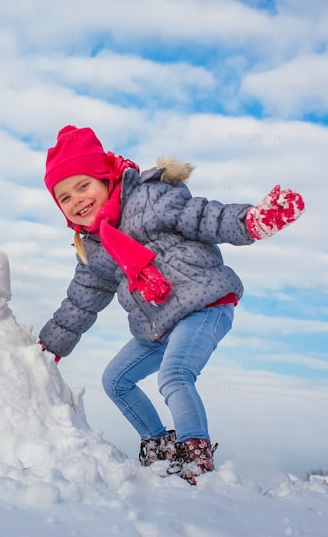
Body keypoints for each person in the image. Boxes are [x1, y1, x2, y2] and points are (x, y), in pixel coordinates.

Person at [37, 125, 304, 485]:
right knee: (115, 380)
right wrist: (47, 349)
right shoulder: (95, 249)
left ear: (106, 180)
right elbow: (79, 303)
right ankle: (160, 446)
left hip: (204, 305)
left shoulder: (148, 200)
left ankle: (195, 456)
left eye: (83, 186)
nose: (77, 200)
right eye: (65, 197)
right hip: (158, 326)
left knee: (174, 375)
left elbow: (203, 217)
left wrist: (250, 222)